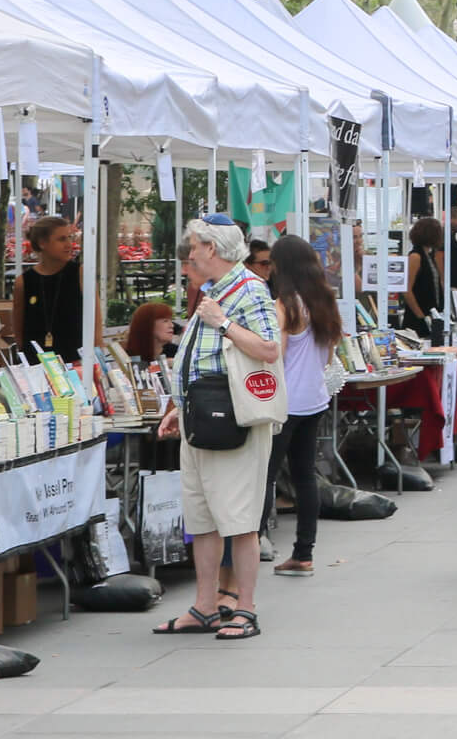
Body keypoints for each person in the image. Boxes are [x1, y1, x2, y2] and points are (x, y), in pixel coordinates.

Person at [152, 217, 283, 642]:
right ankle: (206, 606)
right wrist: (179, 405)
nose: (189, 253)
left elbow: (268, 347)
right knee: (203, 517)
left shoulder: (248, 289)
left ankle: (245, 608)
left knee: (240, 519)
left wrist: (223, 322)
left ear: (212, 248)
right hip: (201, 416)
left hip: (232, 418)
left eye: (194, 245)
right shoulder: (215, 291)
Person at [264, 234, 340, 577]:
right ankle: (303, 551)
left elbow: (275, 354)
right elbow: (329, 356)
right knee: (304, 475)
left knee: (263, 475)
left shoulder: (285, 305)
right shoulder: (325, 301)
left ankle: (255, 541)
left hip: (285, 401)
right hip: (315, 397)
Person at [11, 214, 98, 361]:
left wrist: (95, 355)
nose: (69, 244)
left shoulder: (81, 274)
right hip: (37, 363)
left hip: (76, 362)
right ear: (43, 243)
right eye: (62, 239)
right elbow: (19, 329)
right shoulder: (24, 282)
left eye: (70, 237)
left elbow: (95, 321)